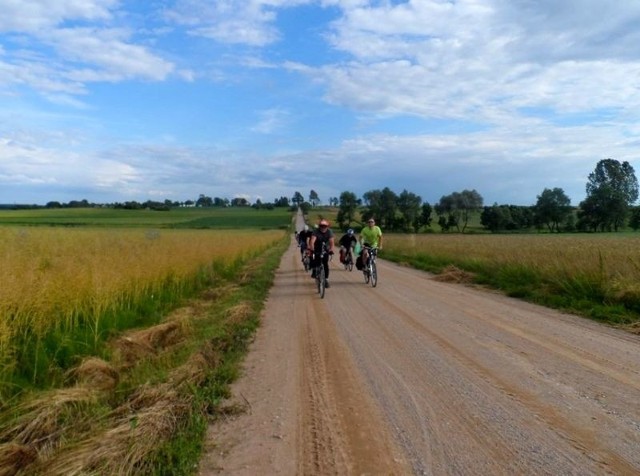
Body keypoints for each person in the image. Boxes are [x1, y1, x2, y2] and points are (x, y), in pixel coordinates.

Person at [308, 218, 335, 287]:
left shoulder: (329, 232)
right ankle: (314, 270)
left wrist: (331, 250)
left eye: (325, 226)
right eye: (321, 226)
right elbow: (312, 241)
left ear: (327, 227)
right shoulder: (315, 231)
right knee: (314, 259)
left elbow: (332, 242)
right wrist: (312, 249)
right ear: (319, 226)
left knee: (325, 264)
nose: (323, 227)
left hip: (325, 248)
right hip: (316, 247)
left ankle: (326, 279)